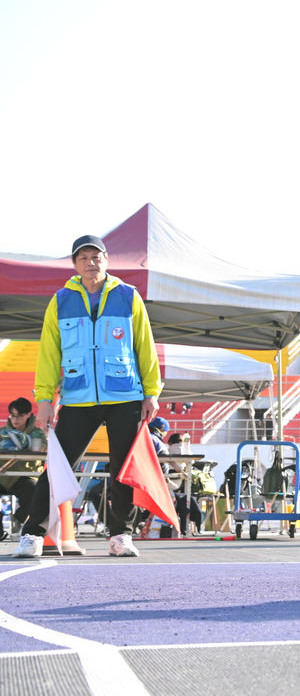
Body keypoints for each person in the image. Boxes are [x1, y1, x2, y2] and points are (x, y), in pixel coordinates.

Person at [13, 234, 162, 560]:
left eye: (96, 257)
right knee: (57, 467)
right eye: (83, 258)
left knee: (123, 470)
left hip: (124, 395)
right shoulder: (61, 300)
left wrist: (151, 392)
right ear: (75, 264)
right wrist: (44, 400)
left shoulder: (128, 296)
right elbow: (49, 353)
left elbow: (145, 346)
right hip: (78, 398)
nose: (91, 263)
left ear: (106, 260)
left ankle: (121, 535)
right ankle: (33, 534)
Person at [0, 398, 45, 532]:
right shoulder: (2, 432)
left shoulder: (37, 433)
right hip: (3, 476)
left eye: (20, 415)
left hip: (24, 477)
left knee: (36, 491)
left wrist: (27, 444)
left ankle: (18, 518)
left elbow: (40, 450)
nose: (16, 419)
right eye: (13, 415)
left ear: (29, 414)